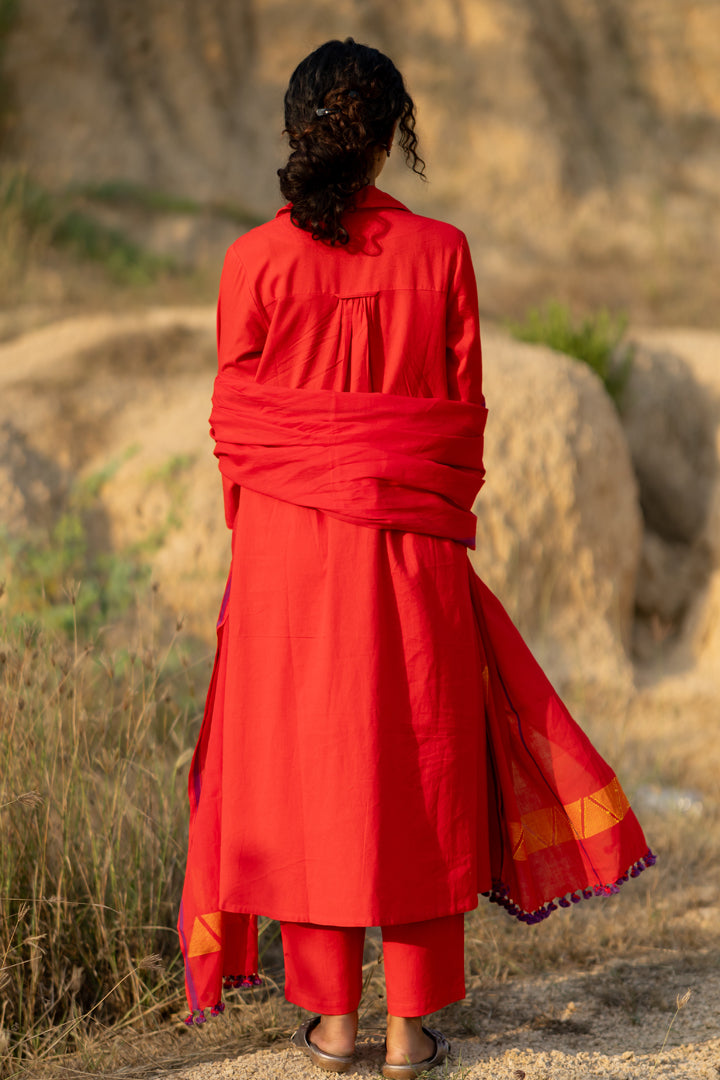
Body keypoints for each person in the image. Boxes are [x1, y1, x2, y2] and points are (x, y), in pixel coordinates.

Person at [177, 38, 653, 1079]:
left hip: (285, 562)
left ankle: (333, 1029)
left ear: (298, 135)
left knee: (313, 778)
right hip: (411, 553)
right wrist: (411, 497)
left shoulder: (251, 263)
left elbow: (237, 433)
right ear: (390, 138)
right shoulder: (442, 254)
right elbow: (463, 428)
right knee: (418, 773)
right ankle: (408, 1035)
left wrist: (275, 528)